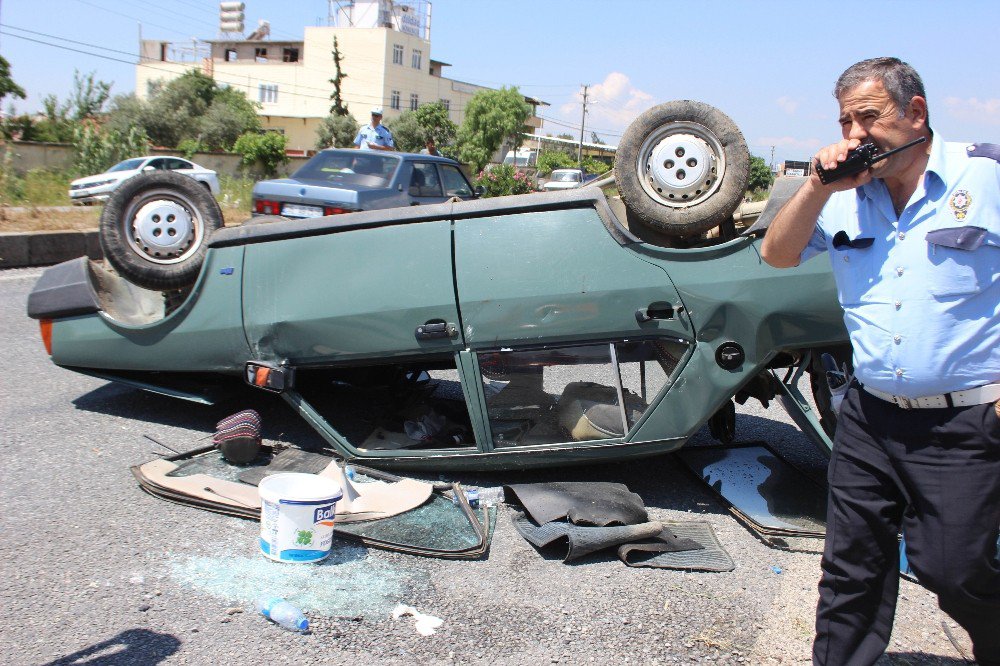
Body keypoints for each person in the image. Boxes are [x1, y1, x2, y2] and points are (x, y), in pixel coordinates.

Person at [760, 57, 999, 666]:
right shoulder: (843, 195)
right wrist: (815, 186)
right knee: (850, 566)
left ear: (915, 112)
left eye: (868, 117)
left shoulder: (987, 175)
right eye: (845, 121)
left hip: (964, 423)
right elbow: (777, 255)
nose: (855, 134)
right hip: (869, 416)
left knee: (955, 568)